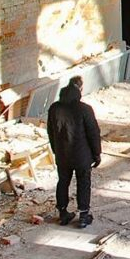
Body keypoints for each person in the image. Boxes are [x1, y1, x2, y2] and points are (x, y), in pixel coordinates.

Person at [47, 80, 101, 228]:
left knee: (63, 182)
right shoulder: (85, 109)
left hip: (62, 155)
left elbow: (50, 132)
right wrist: (97, 154)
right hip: (82, 156)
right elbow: (93, 133)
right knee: (83, 182)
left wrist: (56, 150)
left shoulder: (54, 108)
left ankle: (63, 213)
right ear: (79, 91)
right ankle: (83, 215)